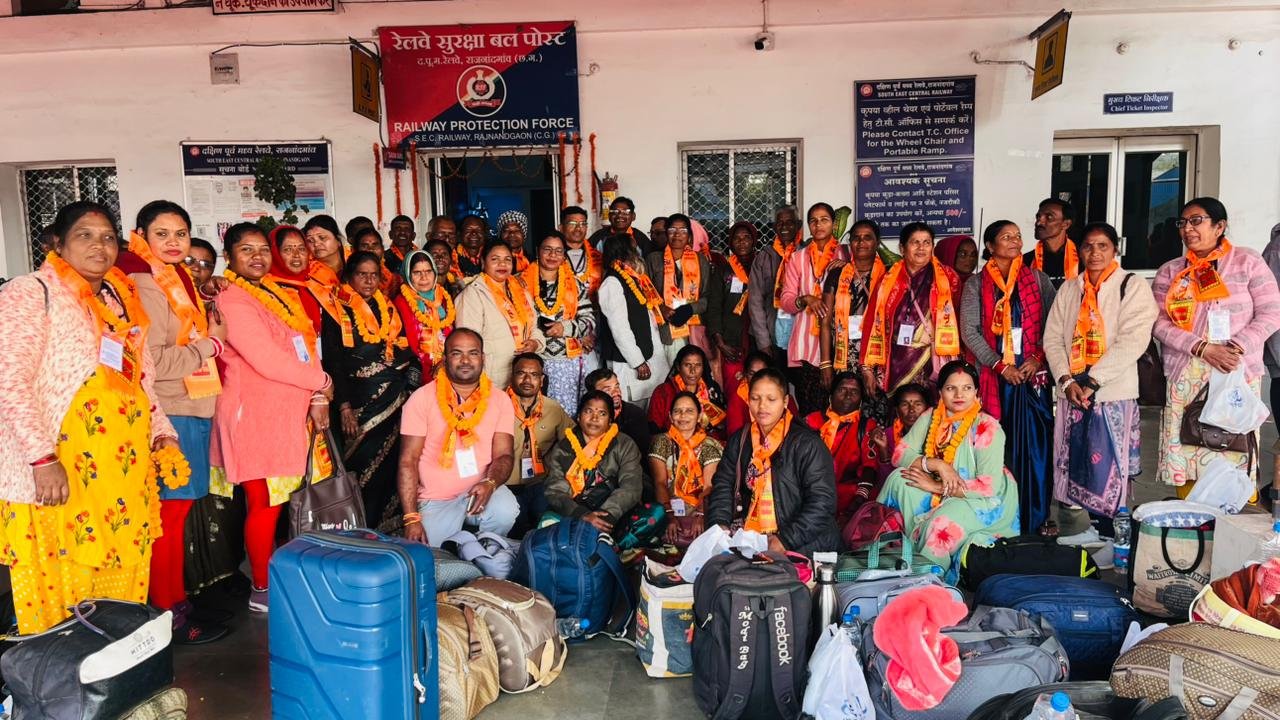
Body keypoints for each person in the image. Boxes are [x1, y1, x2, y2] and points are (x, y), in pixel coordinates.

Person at [0, 201, 178, 634]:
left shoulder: (121, 299)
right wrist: (42, 459)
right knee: (63, 597)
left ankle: (114, 668)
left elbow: (141, 380)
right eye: (84, 235)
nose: (99, 246)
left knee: (118, 599)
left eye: (107, 238)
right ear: (57, 243)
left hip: (122, 477)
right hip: (61, 475)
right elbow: (9, 378)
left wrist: (162, 432)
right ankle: (62, 670)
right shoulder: (31, 292)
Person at [117, 200, 228, 644]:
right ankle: (169, 614)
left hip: (190, 405)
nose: (173, 242)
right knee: (170, 515)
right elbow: (156, 361)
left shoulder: (175, 278)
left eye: (180, 234)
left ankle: (174, 602)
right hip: (172, 411)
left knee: (175, 514)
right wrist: (211, 347)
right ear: (141, 235)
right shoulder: (146, 283)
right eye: (161, 234)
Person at [209, 222, 333, 613]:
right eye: (246, 250)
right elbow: (265, 359)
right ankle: (261, 588)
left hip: (283, 415)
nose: (257, 257)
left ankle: (275, 576)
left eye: (263, 249)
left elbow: (301, 347)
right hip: (254, 417)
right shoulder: (231, 298)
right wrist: (322, 382)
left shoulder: (272, 292)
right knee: (263, 503)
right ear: (228, 257)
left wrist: (316, 393)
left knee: (278, 504)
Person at [1154, 197, 1280, 491]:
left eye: (1196, 221)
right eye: (1183, 223)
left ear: (1220, 226)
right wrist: (1202, 348)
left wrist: (1235, 347)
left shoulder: (1247, 262)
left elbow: (1271, 312)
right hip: (1186, 371)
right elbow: (1158, 322)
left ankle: (1229, 512)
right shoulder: (1171, 271)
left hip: (1235, 369)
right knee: (1188, 444)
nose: (1187, 228)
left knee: (1232, 446)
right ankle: (1189, 512)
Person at [1044, 222, 1158, 528]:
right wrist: (1066, 380)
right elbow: (1052, 339)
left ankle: (1111, 533)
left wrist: (1093, 381)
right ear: (1079, 251)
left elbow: (1134, 339)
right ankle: (1086, 531)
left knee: (1109, 467)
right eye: (1088, 246)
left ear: (1115, 249)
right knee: (1074, 462)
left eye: (1103, 246)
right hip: (1072, 392)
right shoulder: (1070, 289)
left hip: (1112, 392)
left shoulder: (1131, 285)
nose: (1095, 253)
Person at [878, 362, 1019, 581]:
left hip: (981, 499)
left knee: (941, 525)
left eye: (967, 388)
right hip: (942, 486)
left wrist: (937, 487)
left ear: (976, 392)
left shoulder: (987, 427)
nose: (959, 395)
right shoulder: (932, 416)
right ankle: (894, 551)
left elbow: (987, 487)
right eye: (951, 388)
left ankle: (927, 581)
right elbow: (899, 454)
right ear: (940, 392)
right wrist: (937, 465)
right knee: (899, 479)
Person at [961, 220, 1056, 535]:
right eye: (1006, 236)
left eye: (1017, 235)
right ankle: (1002, 522)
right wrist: (1000, 365)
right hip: (994, 379)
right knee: (997, 451)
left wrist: (1037, 357)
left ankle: (1036, 517)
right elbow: (969, 331)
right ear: (990, 246)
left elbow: (1054, 325)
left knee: (1035, 450)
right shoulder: (976, 285)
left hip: (1031, 377)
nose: (1015, 241)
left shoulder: (1038, 280)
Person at [324, 251, 419, 531]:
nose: (368, 281)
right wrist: (344, 407)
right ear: (349, 277)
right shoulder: (335, 309)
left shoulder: (386, 307)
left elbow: (402, 346)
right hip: (357, 403)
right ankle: (359, 527)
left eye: (374, 275)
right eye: (362, 275)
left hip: (393, 400)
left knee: (391, 465)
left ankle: (386, 526)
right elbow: (333, 361)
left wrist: (405, 374)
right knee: (360, 465)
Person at [398, 329, 519, 546]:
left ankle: (486, 551)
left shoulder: (500, 400)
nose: (465, 360)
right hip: (435, 500)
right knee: (432, 556)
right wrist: (411, 518)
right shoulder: (421, 399)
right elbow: (408, 460)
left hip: (480, 492)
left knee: (506, 509)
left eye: (473, 353)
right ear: (445, 359)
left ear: (483, 358)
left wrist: (490, 483)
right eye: (457, 353)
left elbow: (504, 455)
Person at [705, 368, 838, 553]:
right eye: (755, 398)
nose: (762, 406)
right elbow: (723, 484)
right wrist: (720, 524)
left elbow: (822, 501)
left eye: (771, 399)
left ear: (785, 401)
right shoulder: (740, 440)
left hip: (803, 544)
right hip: (752, 536)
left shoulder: (807, 444)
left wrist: (786, 540)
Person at [861, 222, 962, 401]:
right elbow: (872, 322)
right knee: (900, 408)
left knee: (931, 409)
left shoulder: (948, 278)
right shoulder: (887, 281)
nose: (921, 248)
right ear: (902, 248)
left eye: (926, 242)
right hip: (895, 358)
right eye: (915, 242)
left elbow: (960, 322)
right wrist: (867, 367)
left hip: (933, 358)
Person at [781, 203, 850, 415]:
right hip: (807, 345)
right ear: (809, 226)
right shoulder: (797, 258)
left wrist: (847, 267)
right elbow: (786, 301)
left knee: (841, 406)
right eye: (814, 221)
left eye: (824, 220)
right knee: (810, 409)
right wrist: (805, 299)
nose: (818, 225)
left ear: (833, 224)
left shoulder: (846, 254)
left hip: (839, 340)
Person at [543, 390, 645, 533]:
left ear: (610, 420)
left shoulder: (624, 444)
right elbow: (556, 491)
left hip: (613, 514)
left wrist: (605, 516)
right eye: (588, 411)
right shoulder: (563, 448)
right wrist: (582, 515)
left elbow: (631, 487)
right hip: (576, 512)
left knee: (653, 514)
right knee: (547, 521)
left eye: (602, 413)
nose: (594, 418)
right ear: (579, 416)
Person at [522, 231, 597, 415]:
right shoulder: (521, 282)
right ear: (538, 251)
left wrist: (565, 328)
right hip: (533, 361)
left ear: (564, 254)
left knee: (567, 416)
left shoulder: (575, 284)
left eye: (558, 251)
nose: (552, 255)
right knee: (537, 415)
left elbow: (589, 321)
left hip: (568, 364)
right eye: (547, 249)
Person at [456, 241, 545, 390]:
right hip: (491, 380)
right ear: (483, 262)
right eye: (495, 259)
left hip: (521, 379)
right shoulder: (473, 294)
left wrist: (536, 343)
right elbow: (467, 344)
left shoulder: (521, 291)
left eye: (507, 259)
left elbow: (534, 327)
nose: (502, 264)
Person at [506, 353, 574, 536]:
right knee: (514, 526)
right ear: (512, 376)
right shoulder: (498, 406)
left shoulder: (553, 409)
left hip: (539, 483)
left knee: (545, 522)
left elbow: (574, 441)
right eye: (521, 373)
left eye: (534, 375)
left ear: (542, 380)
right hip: (505, 486)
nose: (527, 380)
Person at [596, 235, 670, 404]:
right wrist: (638, 362)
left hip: (647, 356)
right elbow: (620, 329)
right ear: (625, 252)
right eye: (634, 249)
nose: (638, 253)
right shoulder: (612, 283)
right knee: (633, 407)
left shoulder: (632, 278)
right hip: (630, 363)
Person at [649, 392, 723, 546]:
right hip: (667, 505)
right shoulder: (661, 442)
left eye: (689, 411)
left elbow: (709, 487)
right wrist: (669, 516)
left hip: (701, 506)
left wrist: (701, 515)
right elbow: (660, 483)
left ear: (699, 416)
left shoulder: (709, 446)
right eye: (677, 411)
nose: (683, 416)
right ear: (670, 416)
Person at [805, 372, 881, 522]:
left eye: (854, 392)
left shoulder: (866, 426)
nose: (848, 396)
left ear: (861, 400)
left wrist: (858, 501)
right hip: (809, 491)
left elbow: (870, 467)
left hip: (846, 497)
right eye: (842, 390)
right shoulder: (811, 421)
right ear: (831, 395)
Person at [820, 219, 887, 386]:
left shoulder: (889, 275)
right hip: (843, 354)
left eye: (867, 237)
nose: (861, 242)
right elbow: (825, 322)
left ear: (877, 242)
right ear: (850, 243)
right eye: (856, 238)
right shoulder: (837, 274)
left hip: (878, 354)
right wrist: (825, 363)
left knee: (875, 399)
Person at [646, 213, 712, 365]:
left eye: (683, 230)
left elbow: (708, 295)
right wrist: (661, 308)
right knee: (668, 372)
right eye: (672, 230)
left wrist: (690, 309)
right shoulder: (654, 259)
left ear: (689, 236)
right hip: (665, 329)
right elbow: (644, 292)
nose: (677, 235)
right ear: (666, 233)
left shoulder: (700, 260)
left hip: (693, 328)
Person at [707, 221, 756, 392]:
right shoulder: (723, 270)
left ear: (753, 241)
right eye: (737, 238)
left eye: (746, 237)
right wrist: (720, 343)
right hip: (732, 341)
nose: (742, 242)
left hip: (758, 340)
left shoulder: (761, 266)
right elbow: (714, 307)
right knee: (734, 389)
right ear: (730, 242)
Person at [748, 206, 800, 366]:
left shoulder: (807, 254)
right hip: (771, 336)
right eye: (780, 223)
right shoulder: (764, 257)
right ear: (774, 226)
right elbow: (755, 301)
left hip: (799, 335)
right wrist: (763, 341)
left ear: (798, 225)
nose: (784, 227)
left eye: (789, 222)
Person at [394, 249, 454, 377]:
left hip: (448, 364)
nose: (424, 277)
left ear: (435, 272)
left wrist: (445, 360)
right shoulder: (400, 303)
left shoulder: (444, 297)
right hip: (417, 368)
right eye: (417, 272)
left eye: (428, 271)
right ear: (407, 275)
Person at [647, 344, 727, 439]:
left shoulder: (712, 390)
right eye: (687, 365)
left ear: (703, 367)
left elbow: (721, 427)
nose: (693, 371)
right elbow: (654, 429)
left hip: (707, 443)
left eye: (698, 365)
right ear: (678, 367)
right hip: (672, 442)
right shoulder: (663, 392)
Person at [585, 367, 653, 470]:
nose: (616, 393)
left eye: (617, 386)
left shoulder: (635, 415)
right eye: (608, 390)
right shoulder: (587, 417)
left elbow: (641, 458)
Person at [725, 350, 798, 437]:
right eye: (752, 374)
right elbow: (735, 434)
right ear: (745, 374)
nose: (757, 378)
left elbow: (796, 428)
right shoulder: (738, 398)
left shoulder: (782, 395)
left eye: (762, 373)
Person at [869, 383, 932, 478]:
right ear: (897, 411)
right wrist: (883, 449)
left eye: (918, 404)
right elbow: (885, 480)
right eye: (905, 404)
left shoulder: (938, 432)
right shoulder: (887, 436)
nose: (911, 410)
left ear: (928, 409)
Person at [1026, 198, 1080, 288]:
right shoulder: (1026, 261)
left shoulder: (1082, 259)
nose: (1038, 223)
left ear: (1066, 224)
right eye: (1038, 217)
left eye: (1049, 217)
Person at [561, 205, 602, 295]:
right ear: (561, 227)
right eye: (572, 223)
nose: (578, 228)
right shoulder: (552, 257)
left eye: (583, 223)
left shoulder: (598, 257)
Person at [350, 227, 401, 298]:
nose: (371, 249)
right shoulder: (349, 277)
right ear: (354, 250)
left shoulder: (394, 281)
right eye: (365, 246)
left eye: (375, 245)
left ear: (382, 249)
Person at [302, 214, 345, 291]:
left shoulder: (356, 264)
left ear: (338, 240)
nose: (316, 244)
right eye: (310, 241)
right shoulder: (307, 273)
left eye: (322, 238)